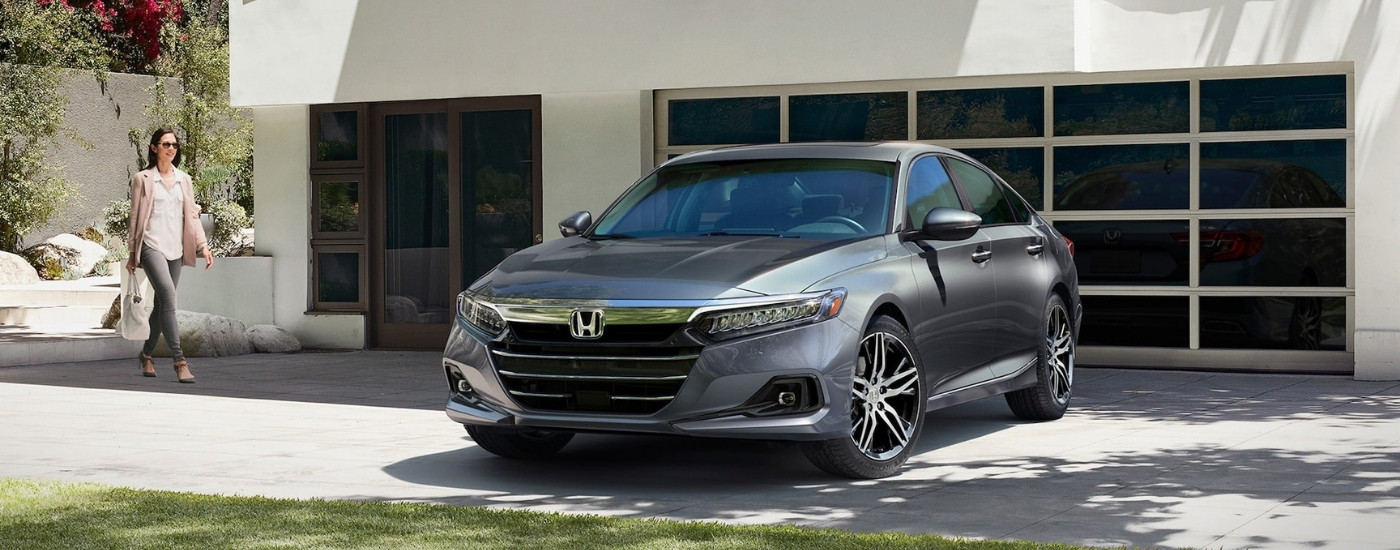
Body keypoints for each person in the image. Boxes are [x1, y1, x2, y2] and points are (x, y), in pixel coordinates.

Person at [126, 127, 214, 383]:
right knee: (169, 297)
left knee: (162, 305)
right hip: (152, 246)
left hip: (176, 248)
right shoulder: (142, 179)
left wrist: (203, 246)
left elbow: (192, 215)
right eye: (166, 144)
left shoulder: (183, 180)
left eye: (174, 145)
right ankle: (180, 361)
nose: (171, 149)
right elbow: (134, 218)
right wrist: (133, 253)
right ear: (154, 148)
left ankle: (146, 355)